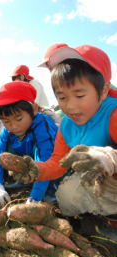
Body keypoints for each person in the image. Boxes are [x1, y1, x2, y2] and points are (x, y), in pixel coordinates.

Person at [9, 44, 117, 241]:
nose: (70, 106)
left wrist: (110, 158)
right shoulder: (67, 125)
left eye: (80, 95)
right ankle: (103, 216)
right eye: (62, 97)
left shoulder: (113, 115)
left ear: (103, 91)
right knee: (66, 197)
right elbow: (58, 162)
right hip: (102, 187)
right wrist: (36, 169)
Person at [0, 81, 58, 210]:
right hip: (32, 171)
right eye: (6, 121)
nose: (13, 126)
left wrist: (33, 200)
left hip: (54, 171)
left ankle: (51, 192)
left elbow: (45, 162)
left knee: (54, 191)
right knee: (4, 154)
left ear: (34, 109)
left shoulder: (42, 125)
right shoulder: (7, 132)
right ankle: (26, 183)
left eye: (19, 119)